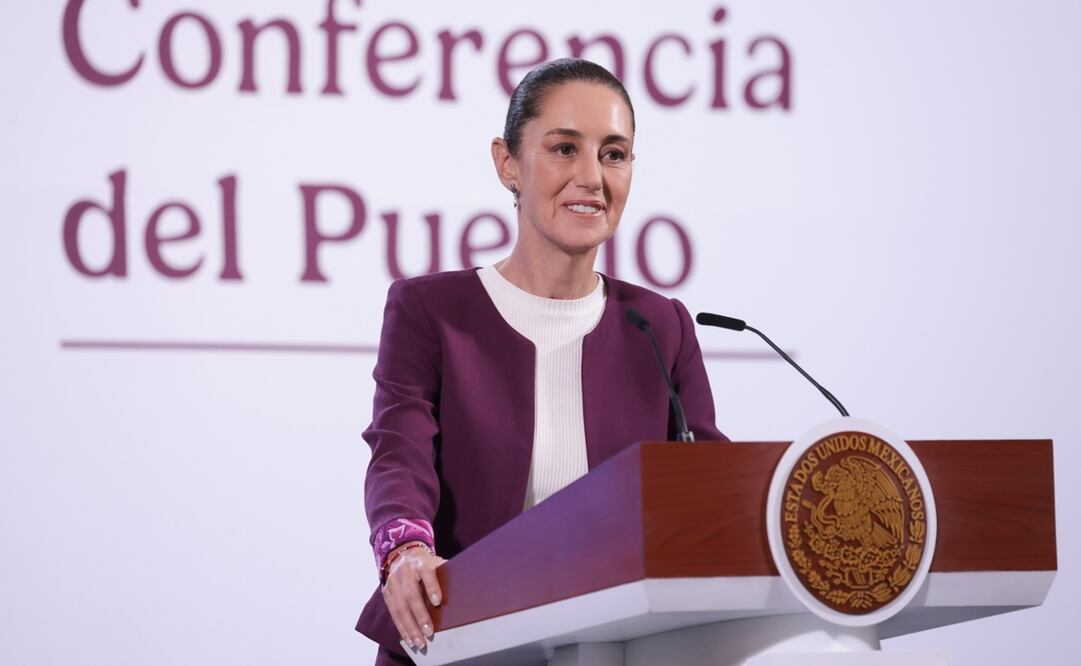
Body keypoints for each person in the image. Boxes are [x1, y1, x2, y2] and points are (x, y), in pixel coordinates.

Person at [355, 58, 727, 665]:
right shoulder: (430, 311)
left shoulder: (661, 326)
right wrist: (406, 551)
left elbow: (712, 493)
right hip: (456, 645)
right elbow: (399, 455)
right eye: (564, 149)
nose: (591, 177)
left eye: (613, 154)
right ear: (508, 163)